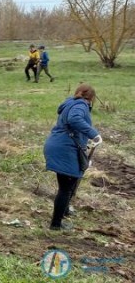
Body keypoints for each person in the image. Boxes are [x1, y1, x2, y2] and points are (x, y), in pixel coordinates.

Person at [43, 84, 101, 231]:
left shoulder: (70, 102)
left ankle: (65, 210)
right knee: (66, 187)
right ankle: (56, 224)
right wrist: (93, 134)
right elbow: (74, 119)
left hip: (60, 145)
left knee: (73, 178)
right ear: (91, 98)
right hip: (64, 148)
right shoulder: (81, 105)